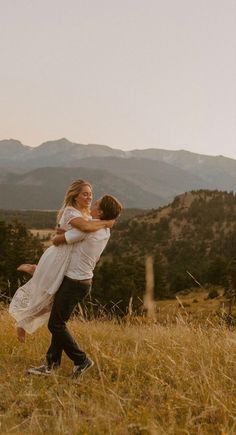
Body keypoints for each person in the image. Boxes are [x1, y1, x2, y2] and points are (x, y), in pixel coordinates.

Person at [27, 194, 123, 378]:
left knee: (55, 324)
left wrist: (63, 230)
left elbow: (57, 240)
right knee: (59, 322)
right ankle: (51, 364)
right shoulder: (104, 230)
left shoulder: (89, 230)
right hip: (80, 282)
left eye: (96, 204)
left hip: (74, 283)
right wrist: (105, 222)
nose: (92, 205)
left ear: (100, 212)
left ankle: (81, 360)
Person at [9, 179, 114, 342]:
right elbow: (85, 229)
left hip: (67, 258)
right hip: (60, 256)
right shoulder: (71, 211)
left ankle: (24, 319)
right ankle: (36, 273)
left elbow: (80, 230)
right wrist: (107, 222)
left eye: (91, 194)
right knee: (47, 297)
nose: (89, 198)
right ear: (75, 196)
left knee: (51, 305)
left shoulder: (86, 214)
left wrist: (66, 232)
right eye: (85, 194)